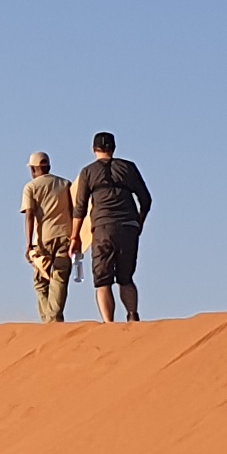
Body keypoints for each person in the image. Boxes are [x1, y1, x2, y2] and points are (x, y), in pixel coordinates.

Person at [77, 131, 154, 322]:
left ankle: (109, 324)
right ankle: (132, 315)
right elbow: (146, 200)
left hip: (103, 228)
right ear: (114, 148)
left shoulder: (88, 172)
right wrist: (139, 223)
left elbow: (80, 207)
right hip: (128, 228)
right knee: (126, 277)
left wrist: (74, 237)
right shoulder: (129, 167)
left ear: (94, 149)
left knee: (103, 281)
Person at [19, 151, 79, 321]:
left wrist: (28, 245)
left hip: (43, 241)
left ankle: (51, 319)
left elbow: (29, 215)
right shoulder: (65, 184)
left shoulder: (31, 187)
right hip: (65, 237)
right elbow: (76, 210)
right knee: (59, 278)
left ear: (33, 169)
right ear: (49, 166)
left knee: (41, 281)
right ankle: (52, 317)